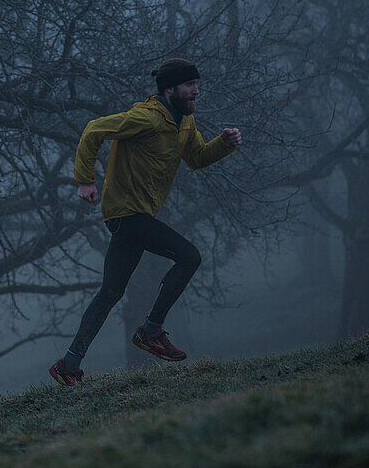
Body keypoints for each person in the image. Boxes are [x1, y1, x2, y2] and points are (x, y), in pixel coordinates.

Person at [49, 58, 241, 386]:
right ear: (170, 89)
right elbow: (94, 130)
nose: (197, 90)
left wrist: (223, 144)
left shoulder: (185, 123)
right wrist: (85, 180)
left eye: (197, 84)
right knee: (189, 256)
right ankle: (151, 331)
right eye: (189, 85)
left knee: (111, 291)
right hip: (126, 213)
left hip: (138, 215)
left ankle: (69, 365)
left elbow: (196, 159)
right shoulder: (147, 118)